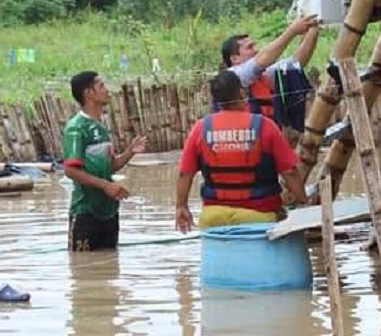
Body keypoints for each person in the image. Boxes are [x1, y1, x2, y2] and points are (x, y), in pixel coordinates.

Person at [175, 71, 306, 232]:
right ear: (242, 93)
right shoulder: (265, 126)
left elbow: (184, 174)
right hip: (260, 216)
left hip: (213, 217)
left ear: (215, 99)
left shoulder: (200, 128)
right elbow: (290, 171)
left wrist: (181, 206)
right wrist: (303, 202)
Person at [62, 71, 146, 251]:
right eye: (101, 86)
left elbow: (110, 167)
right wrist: (106, 186)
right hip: (85, 212)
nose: (107, 90)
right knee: (83, 270)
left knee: (109, 269)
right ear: (88, 93)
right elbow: (71, 171)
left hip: (109, 211)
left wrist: (129, 152)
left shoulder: (101, 127)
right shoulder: (76, 128)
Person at [220, 14, 320, 129]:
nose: (256, 50)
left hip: (266, 135)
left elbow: (297, 62)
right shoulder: (233, 76)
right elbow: (262, 60)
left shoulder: (264, 75)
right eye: (250, 47)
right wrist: (292, 31)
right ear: (234, 59)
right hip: (242, 137)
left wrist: (313, 29)